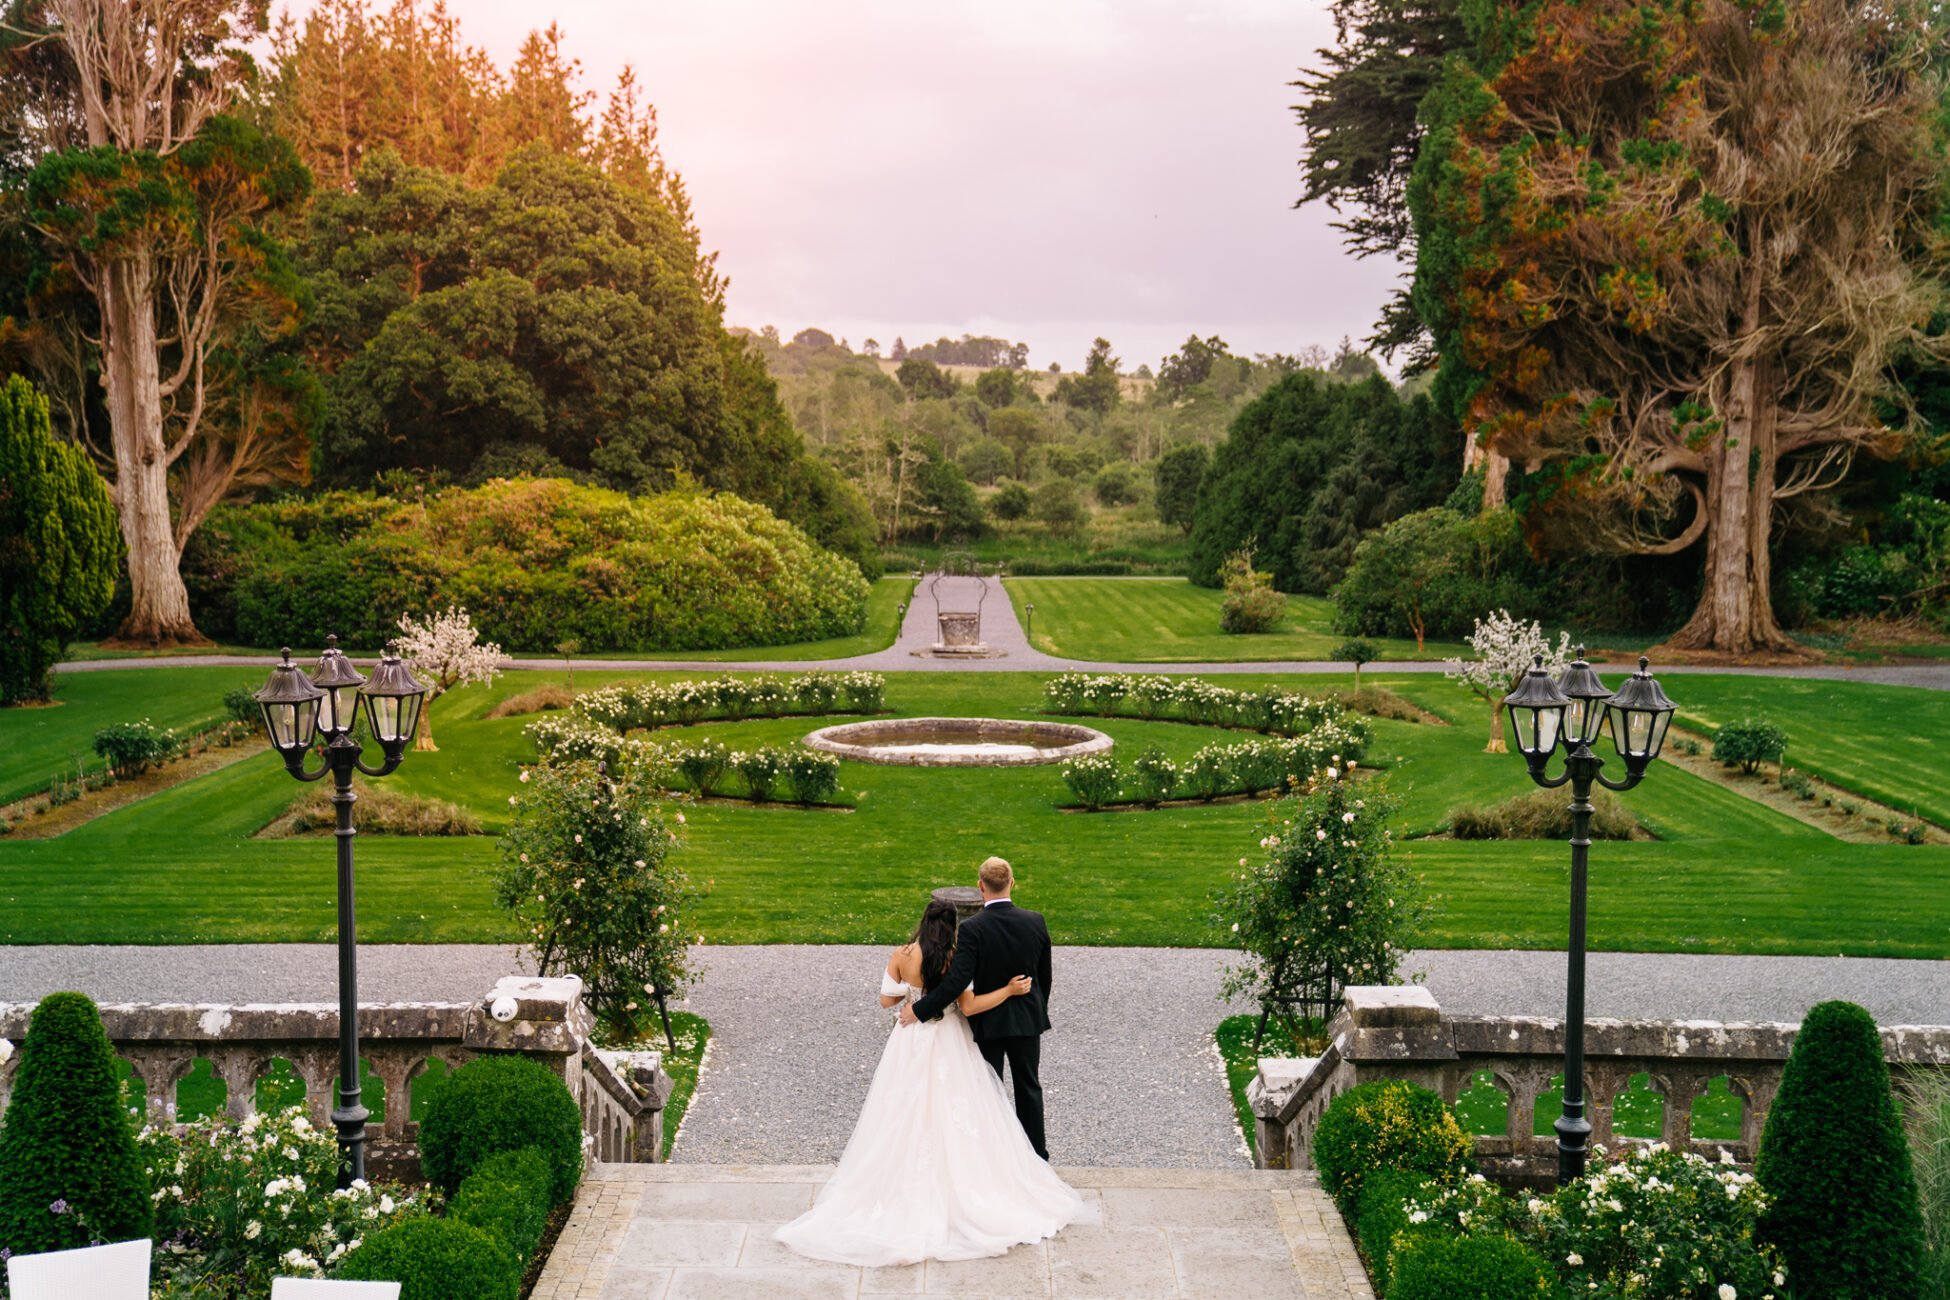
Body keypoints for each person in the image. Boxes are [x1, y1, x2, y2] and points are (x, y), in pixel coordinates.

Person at [774, 877, 1083, 1266]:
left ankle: (896, 1184)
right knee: (973, 1104)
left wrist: (910, 1001)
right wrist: (1008, 991)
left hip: (911, 1040)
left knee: (904, 1106)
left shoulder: (902, 954)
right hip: (952, 1037)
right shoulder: (956, 956)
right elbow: (967, 1005)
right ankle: (1004, 1171)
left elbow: (887, 998)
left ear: (923, 920)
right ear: (951, 926)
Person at [902, 856, 1053, 1158]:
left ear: (980, 887)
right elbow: (1044, 975)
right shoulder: (1035, 920)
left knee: (987, 1091)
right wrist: (1036, 1010)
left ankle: (993, 1157)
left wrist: (918, 1010)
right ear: (1012, 883)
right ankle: (1037, 1157)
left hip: (988, 1022)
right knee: (1029, 1088)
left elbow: (957, 981)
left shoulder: (973, 928)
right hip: (1026, 1020)